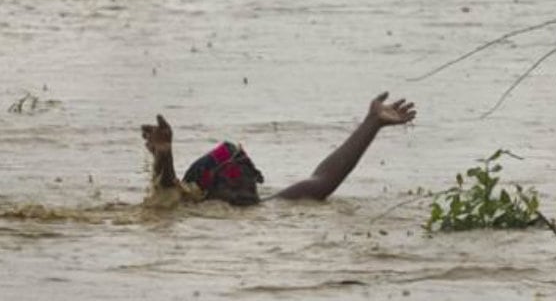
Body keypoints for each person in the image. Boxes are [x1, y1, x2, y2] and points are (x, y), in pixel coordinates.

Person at [141, 92, 416, 205]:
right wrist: (164, 158)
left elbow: (325, 178)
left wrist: (372, 123)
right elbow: (168, 196)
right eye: (233, 183)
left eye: (248, 180)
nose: (245, 189)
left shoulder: (275, 207)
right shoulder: (195, 211)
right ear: (206, 193)